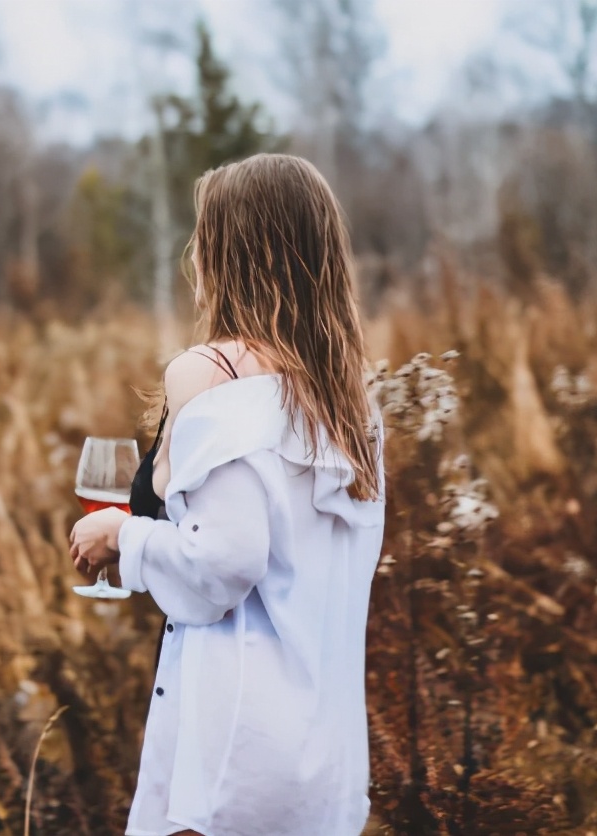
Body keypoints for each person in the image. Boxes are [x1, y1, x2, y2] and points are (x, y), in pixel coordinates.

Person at [69, 153, 386, 836]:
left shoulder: (209, 374)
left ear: (226, 252)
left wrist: (120, 536)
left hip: (237, 738)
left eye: (204, 236)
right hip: (327, 747)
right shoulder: (352, 401)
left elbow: (225, 562)